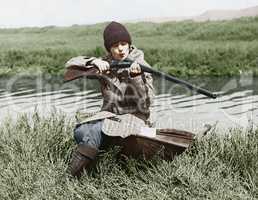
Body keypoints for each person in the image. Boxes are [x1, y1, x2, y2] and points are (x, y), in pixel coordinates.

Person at [65, 21, 154, 177]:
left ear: (129, 45)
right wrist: (93, 61)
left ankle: (71, 178)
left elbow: (147, 104)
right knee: (81, 131)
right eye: (114, 45)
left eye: (123, 43)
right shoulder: (106, 63)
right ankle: (100, 161)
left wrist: (136, 78)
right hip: (110, 116)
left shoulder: (141, 65)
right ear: (109, 48)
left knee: (95, 130)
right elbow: (71, 64)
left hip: (135, 119)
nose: (120, 49)